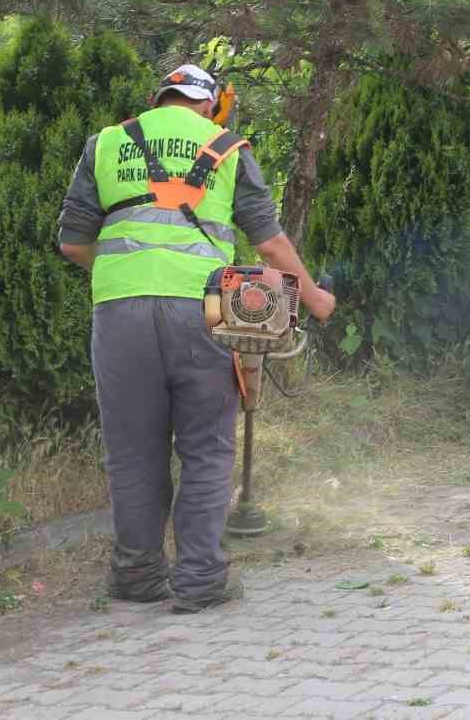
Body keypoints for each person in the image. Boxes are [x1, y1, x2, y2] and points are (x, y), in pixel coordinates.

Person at [58, 64, 335, 613]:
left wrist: (130, 275)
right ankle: (199, 582)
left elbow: (73, 242)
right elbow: (270, 245)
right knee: (206, 448)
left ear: (158, 99)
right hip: (203, 311)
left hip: (119, 312)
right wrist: (315, 298)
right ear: (210, 106)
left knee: (132, 450)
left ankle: (136, 576)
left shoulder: (106, 144)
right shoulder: (228, 146)